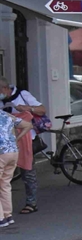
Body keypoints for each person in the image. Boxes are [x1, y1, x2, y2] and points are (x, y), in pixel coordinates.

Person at [0, 79, 45, 215]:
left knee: (27, 171)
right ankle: (5, 209)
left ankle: (31, 202)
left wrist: (27, 109)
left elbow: (42, 110)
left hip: (26, 138)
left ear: (6, 88)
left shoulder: (22, 94)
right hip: (7, 140)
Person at [0, 109, 31, 228]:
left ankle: (1, 219)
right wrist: (16, 139)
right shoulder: (6, 115)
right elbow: (28, 125)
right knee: (5, 184)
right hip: (13, 152)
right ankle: (8, 216)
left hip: (1, 153)